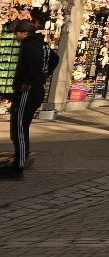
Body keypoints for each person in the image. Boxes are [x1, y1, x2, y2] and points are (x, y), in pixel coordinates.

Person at [2, 20, 50, 181]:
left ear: (25, 33)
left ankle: (18, 168)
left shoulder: (30, 46)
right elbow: (54, 59)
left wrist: (28, 82)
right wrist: (43, 76)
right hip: (34, 90)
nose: (15, 36)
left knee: (19, 130)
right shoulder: (42, 45)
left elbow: (36, 63)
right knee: (20, 128)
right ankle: (19, 160)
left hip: (27, 93)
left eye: (16, 33)